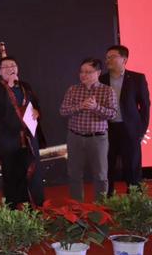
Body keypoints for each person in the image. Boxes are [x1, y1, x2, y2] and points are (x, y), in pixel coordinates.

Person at [0, 55, 45, 209]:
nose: (10, 69)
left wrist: (37, 111)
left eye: (12, 65)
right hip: (9, 138)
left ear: (17, 68)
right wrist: (10, 86)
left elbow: (36, 104)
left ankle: (34, 206)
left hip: (29, 137)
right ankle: (12, 208)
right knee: (11, 172)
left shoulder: (25, 86)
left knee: (33, 171)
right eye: (5, 67)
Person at [60, 58, 117, 201]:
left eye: (88, 72)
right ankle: (77, 208)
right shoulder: (73, 89)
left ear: (98, 73)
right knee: (74, 175)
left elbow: (112, 114)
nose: (83, 75)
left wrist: (95, 107)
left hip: (98, 138)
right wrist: (81, 106)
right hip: (75, 137)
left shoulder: (107, 91)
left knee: (101, 176)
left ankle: (101, 209)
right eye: (82, 72)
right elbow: (63, 111)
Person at [99, 45, 150, 195]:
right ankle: (106, 198)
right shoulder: (101, 80)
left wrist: (141, 130)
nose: (108, 60)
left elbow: (145, 106)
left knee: (132, 167)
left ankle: (135, 199)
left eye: (112, 57)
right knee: (107, 166)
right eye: (107, 57)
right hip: (107, 129)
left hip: (129, 130)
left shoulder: (137, 78)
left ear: (124, 59)